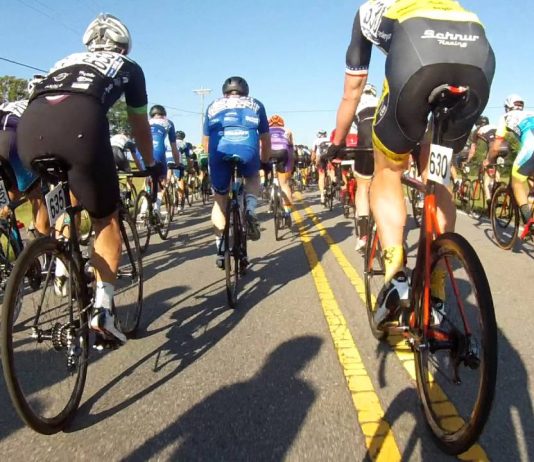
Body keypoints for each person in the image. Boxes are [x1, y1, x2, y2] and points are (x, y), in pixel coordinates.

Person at [327, 0, 495, 329]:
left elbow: (352, 91)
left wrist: (338, 141)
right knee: (437, 176)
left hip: (416, 58)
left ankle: (396, 277)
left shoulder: (369, 10)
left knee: (388, 170)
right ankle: (438, 286)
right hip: (477, 59)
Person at [17, 13, 161, 345]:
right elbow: (139, 125)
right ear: (124, 46)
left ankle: (61, 263)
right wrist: (150, 163)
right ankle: (103, 311)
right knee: (106, 221)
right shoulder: (128, 66)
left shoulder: (63, 61)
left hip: (29, 132)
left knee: (68, 196)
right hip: (80, 129)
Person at [202, 76, 270, 267]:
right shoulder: (256, 104)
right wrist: (264, 162)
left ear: (224, 92)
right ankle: (250, 208)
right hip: (247, 147)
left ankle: (220, 248)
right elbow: (265, 139)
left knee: (220, 201)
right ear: (245, 92)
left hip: (219, 150)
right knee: (253, 175)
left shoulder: (213, 105)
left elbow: (205, 142)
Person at [0, 79, 48, 235]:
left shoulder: (10, 105)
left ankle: (6, 225)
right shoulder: (37, 105)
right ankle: (46, 246)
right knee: (36, 195)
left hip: (6, 142)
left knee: (12, 192)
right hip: (9, 138)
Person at [486, 94, 534, 229]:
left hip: (531, 148)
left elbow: (496, 147)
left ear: (507, 107)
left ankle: (529, 223)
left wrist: (489, 160)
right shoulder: (531, 113)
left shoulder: (505, 117)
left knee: (517, 182)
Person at [465, 115, 500, 211]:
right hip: (503, 147)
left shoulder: (477, 131)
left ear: (477, 125)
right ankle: (499, 188)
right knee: (496, 168)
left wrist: (468, 161)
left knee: (486, 181)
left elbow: (473, 150)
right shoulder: (494, 127)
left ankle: (489, 202)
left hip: (492, 148)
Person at [268, 114, 295, 226]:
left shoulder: (265, 131)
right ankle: (287, 213)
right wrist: (290, 166)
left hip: (268, 153)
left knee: (264, 171)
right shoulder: (287, 131)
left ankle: (265, 185)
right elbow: (291, 149)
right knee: (284, 184)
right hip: (283, 153)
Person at [310, 130, 331, 204]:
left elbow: (313, 154)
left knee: (321, 176)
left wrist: (312, 161)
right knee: (329, 173)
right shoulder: (329, 139)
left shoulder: (316, 141)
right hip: (329, 158)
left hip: (320, 158)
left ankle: (322, 195)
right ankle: (329, 186)